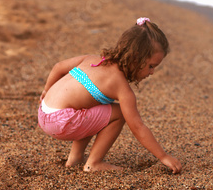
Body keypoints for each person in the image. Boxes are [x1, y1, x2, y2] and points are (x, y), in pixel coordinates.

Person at [37, 17, 182, 174]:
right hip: (61, 122)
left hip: (43, 112)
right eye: (151, 66)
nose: (152, 72)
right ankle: (93, 163)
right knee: (119, 113)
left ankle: (75, 158)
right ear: (136, 58)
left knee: (93, 107)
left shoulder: (91, 59)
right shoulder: (121, 87)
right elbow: (138, 127)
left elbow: (58, 67)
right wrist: (163, 156)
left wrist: (46, 91)